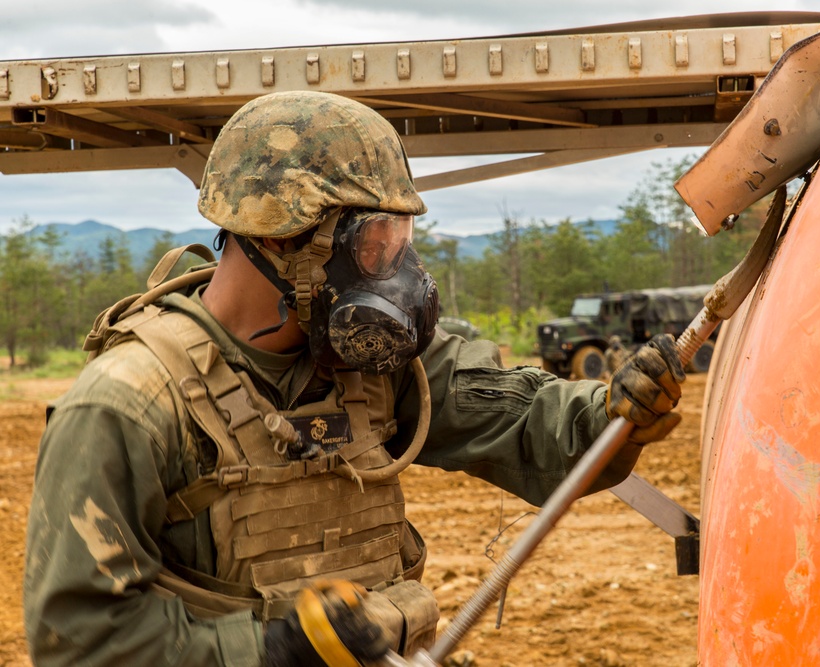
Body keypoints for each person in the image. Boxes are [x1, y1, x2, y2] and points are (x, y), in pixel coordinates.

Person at [23, 91, 685, 667]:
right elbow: (78, 638)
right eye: (374, 243)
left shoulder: (373, 364)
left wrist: (612, 409)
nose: (397, 270)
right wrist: (271, 654)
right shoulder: (127, 405)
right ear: (279, 235)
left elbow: (521, 421)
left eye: (401, 241)